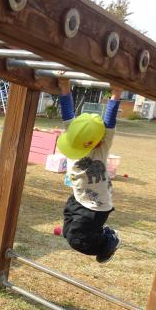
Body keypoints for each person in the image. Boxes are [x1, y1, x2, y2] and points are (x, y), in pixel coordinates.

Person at [57, 78, 121, 263]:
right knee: (68, 232)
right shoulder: (74, 136)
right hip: (78, 198)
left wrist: (116, 95)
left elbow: (109, 124)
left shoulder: (101, 148)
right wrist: (64, 87)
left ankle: (109, 241)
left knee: (77, 240)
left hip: (96, 206)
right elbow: (68, 115)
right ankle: (99, 233)